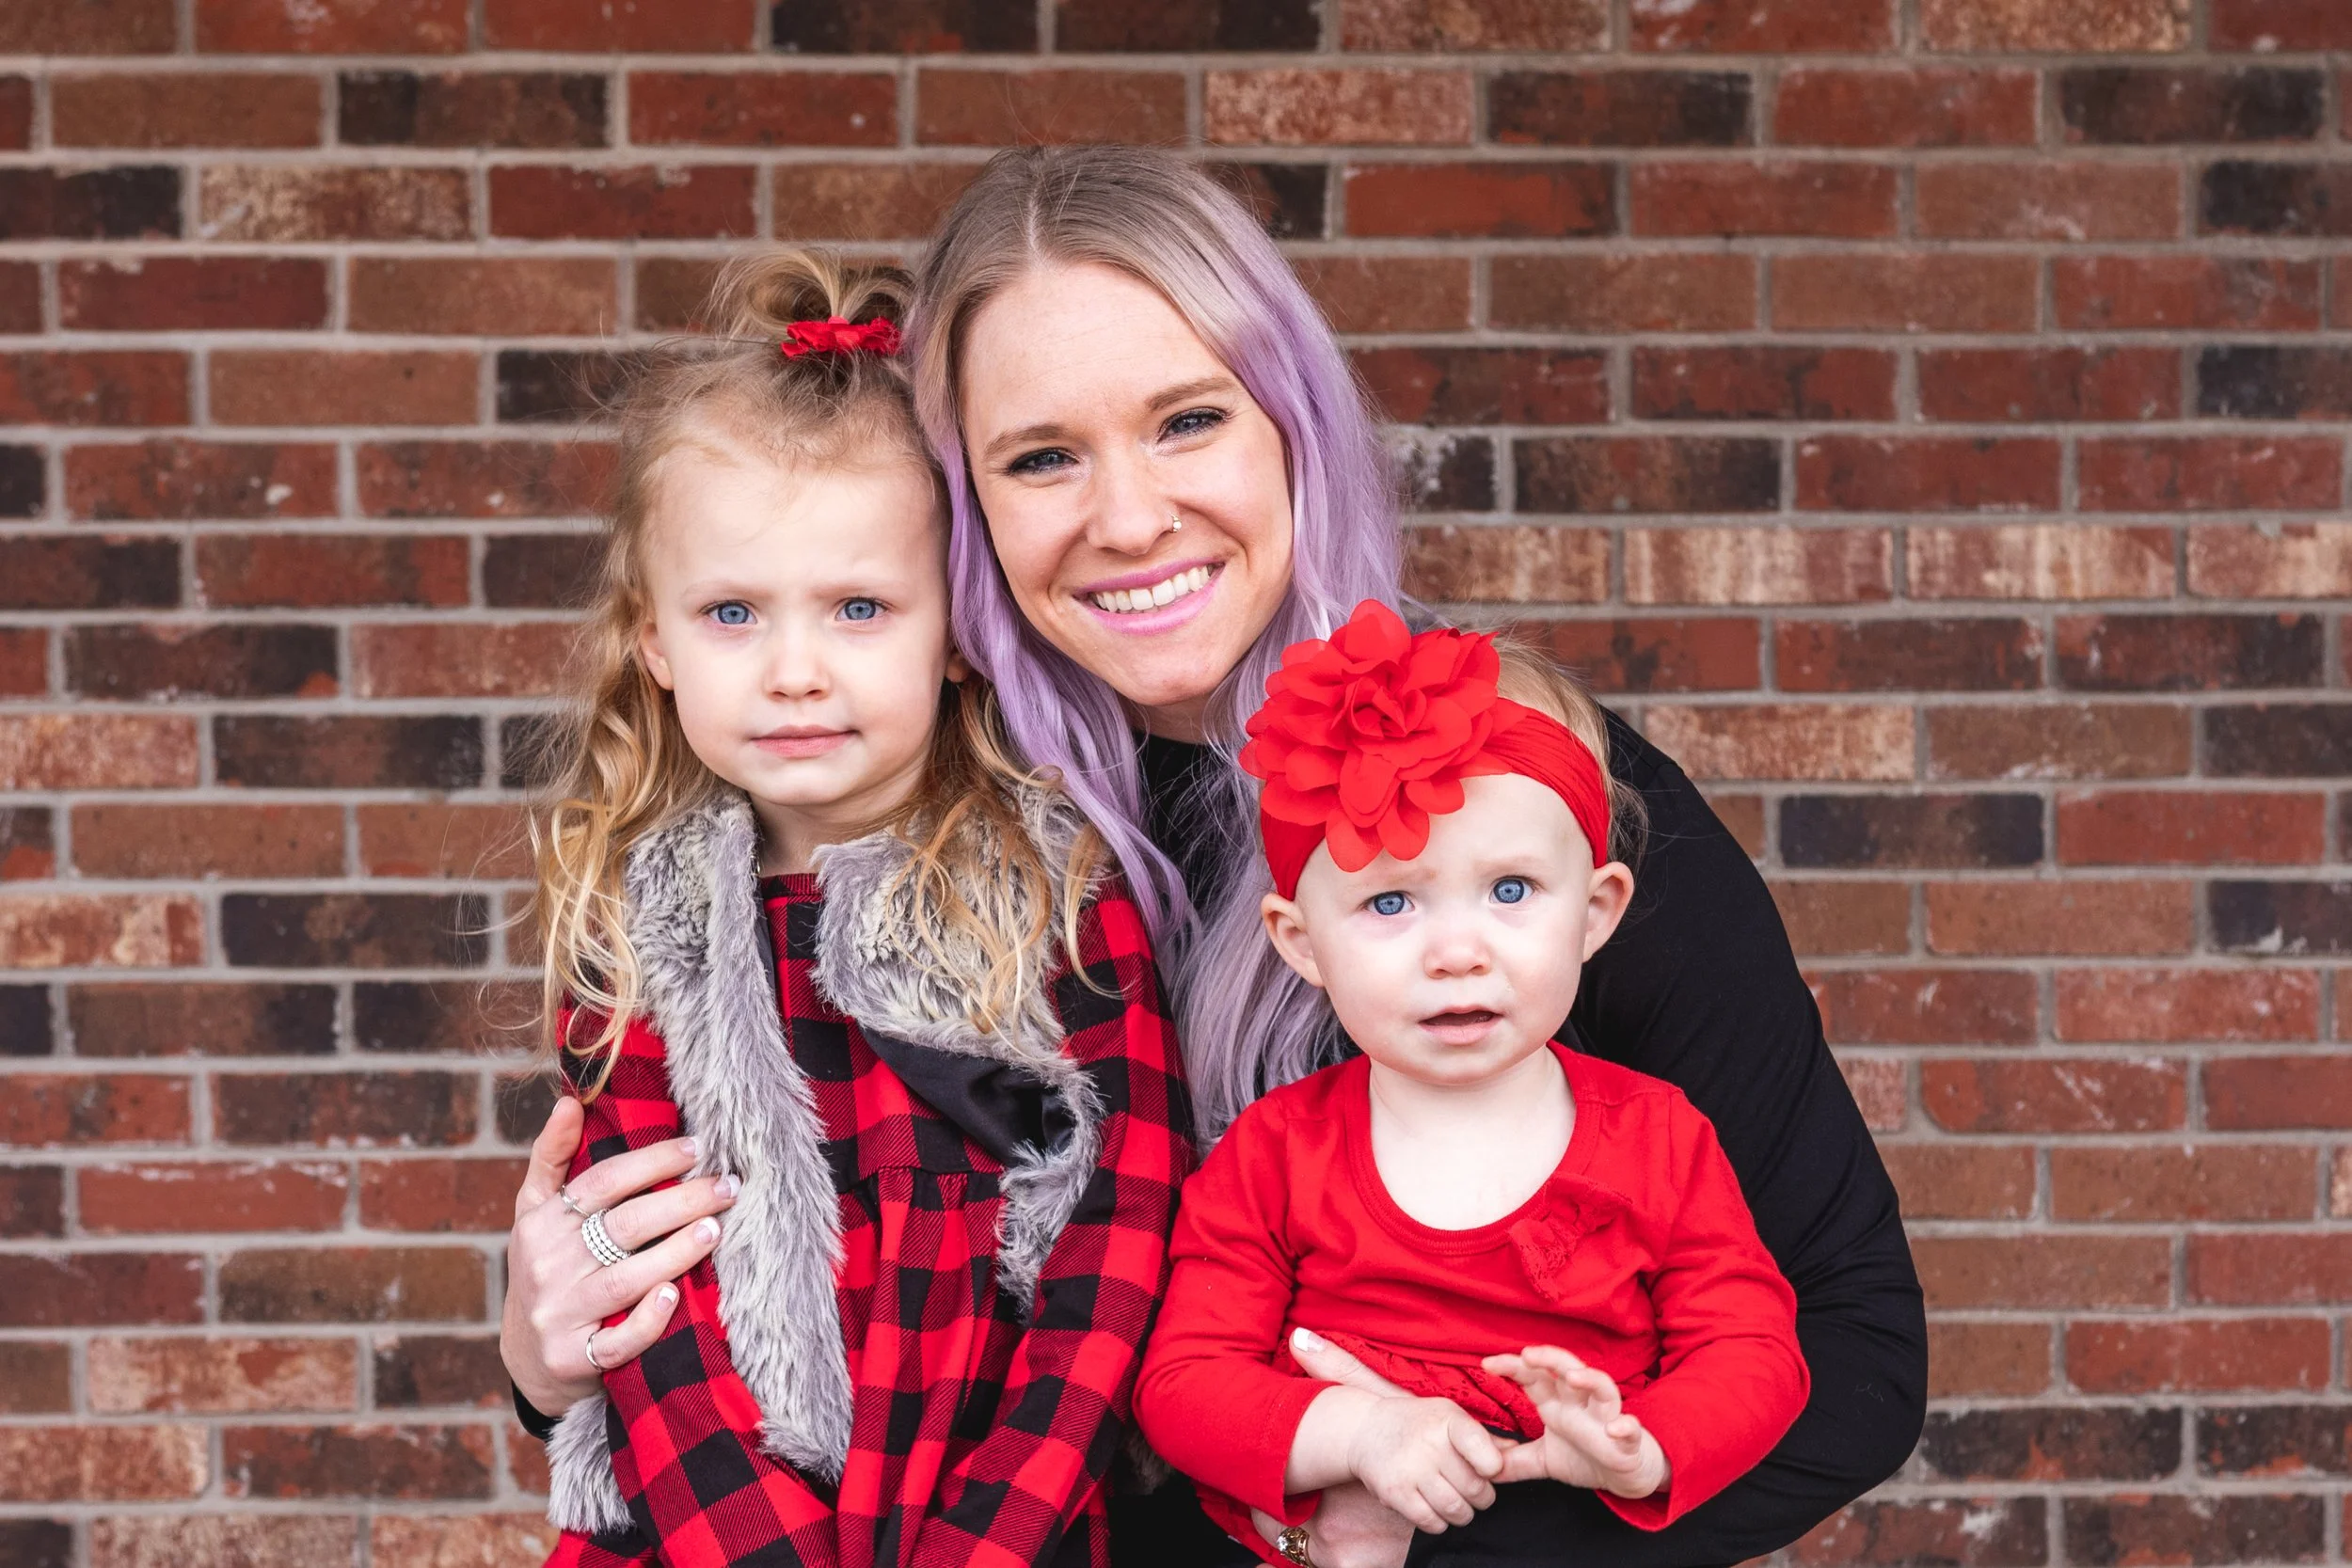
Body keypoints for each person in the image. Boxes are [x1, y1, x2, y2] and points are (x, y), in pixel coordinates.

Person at [501, 145, 1927, 1568]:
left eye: (1188, 420)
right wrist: (549, 1355)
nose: (1129, 518)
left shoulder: (1512, 795)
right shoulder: (943, 839)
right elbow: (838, 1299)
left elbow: (1856, 1353)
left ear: (1294, 422)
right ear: (961, 513)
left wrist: (1410, 1538)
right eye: (1043, 456)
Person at [520, 248, 1189, 1568]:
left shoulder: (1058, 897)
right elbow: (652, 1304)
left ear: (959, 631)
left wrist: (986, 1546)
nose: (794, 670)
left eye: (859, 607)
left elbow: (1115, 1249)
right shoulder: (638, 929)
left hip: (999, 1514)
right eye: (731, 612)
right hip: (710, 1527)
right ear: (654, 640)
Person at [1135, 605, 1807, 1564]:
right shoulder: (1276, 1152)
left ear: (1595, 911)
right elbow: (1184, 1384)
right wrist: (1356, 1434)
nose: (1457, 951)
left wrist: (1643, 1448)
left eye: (1509, 890)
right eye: (1391, 900)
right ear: (1301, 941)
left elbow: (1753, 1351)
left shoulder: (1657, 1137)